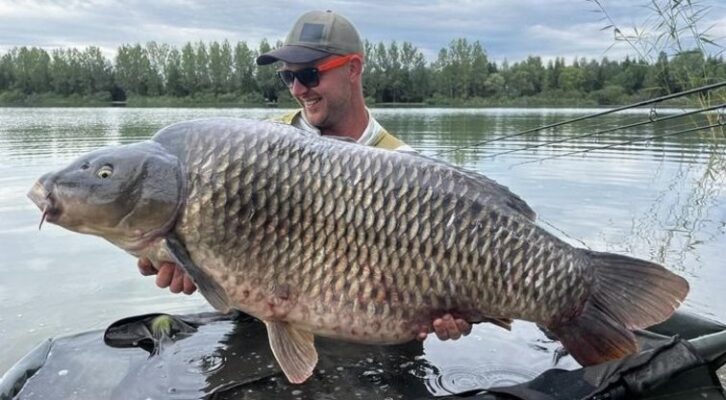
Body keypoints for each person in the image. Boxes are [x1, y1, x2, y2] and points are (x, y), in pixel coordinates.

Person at [138, 10, 471, 341]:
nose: (298, 89)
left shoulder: (405, 168)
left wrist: (454, 308)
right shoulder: (258, 147)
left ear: (353, 68)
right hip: (266, 322)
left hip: (369, 329)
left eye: (310, 75)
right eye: (288, 77)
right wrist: (185, 259)